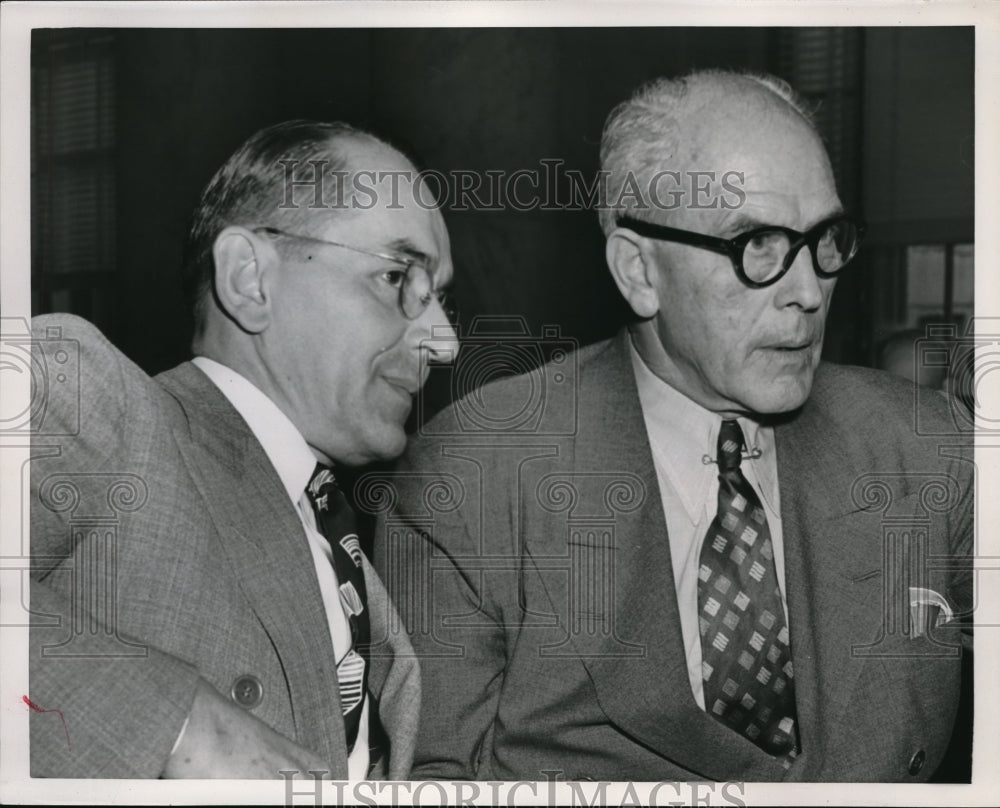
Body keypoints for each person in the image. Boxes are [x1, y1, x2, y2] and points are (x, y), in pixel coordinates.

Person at [377, 71, 973, 782]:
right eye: (757, 245)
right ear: (638, 271)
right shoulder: (473, 476)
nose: (810, 292)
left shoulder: (924, 448)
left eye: (827, 239)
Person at [29, 120, 458, 778]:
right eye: (397, 277)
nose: (443, 340)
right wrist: (176, 728)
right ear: (249, 278)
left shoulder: (346, 552)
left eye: (439, 299)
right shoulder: (88, 397)